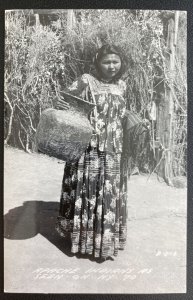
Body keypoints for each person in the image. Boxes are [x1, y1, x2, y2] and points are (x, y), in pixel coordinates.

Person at [55, 44, 129, 261]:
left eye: (116, 61)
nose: (112, 66)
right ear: (98, 63)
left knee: (108, 193)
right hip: (89, 148)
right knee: (87, 190)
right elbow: (63, 100)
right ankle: (83, 242)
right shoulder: (86, 80)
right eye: (107, 62)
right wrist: (58, 102)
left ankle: (103, 242)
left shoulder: (122, 85)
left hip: (114, 148)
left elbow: (118, 115)